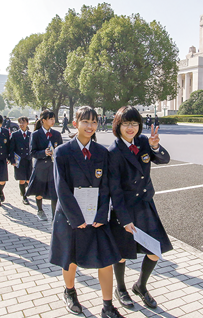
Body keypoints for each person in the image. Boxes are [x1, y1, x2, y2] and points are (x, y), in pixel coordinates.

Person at [50, 106, 124, 318]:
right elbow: (61, 188)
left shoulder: (102, 152)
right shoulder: (62, 152)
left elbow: (107, 186)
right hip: (70, 217)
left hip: (97, 217)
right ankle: (70, 292)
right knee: (70, 258)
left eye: (94, 122)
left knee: (106, 259)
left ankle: (108, 306)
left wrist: (102, 214)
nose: (90, 126)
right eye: (85, 121)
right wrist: (76, 218)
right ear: (76, 124)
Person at [108, 106, 172, 309]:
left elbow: (164, 159)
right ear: (118, 126)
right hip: (124, 209)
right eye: (126, 123)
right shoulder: (113, 151)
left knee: (155, 249)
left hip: (145, 205)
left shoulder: (145, 142)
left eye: (134, 123)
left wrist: (155, 147)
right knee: (121, 253)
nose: (131, 128)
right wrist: (124, 218)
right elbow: (115, 190)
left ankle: (140, 286)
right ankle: (121, 288)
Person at [25, 109, 63, 221]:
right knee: (39, 191)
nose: (53, 121)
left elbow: (61, 149)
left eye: (53, 118)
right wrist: (44, 153)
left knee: (54, 193)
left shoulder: (56, 134)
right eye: (50, 119)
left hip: (52, 168)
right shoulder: (36, 134)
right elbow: (32, 152)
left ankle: (54, 217)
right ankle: (40, 210)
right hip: (40, 168)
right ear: (43, 120)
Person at [9, 117, 32, 205]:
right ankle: (24, 196)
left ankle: (24, 190)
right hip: (19, 160)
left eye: (24, 122)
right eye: (20, 123)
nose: (22, 125)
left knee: (29, 179)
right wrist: (12, 160)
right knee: (21, 179)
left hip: (28, 159)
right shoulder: (15, 135)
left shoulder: (31, 134)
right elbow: (11, 149)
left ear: (27, 123)